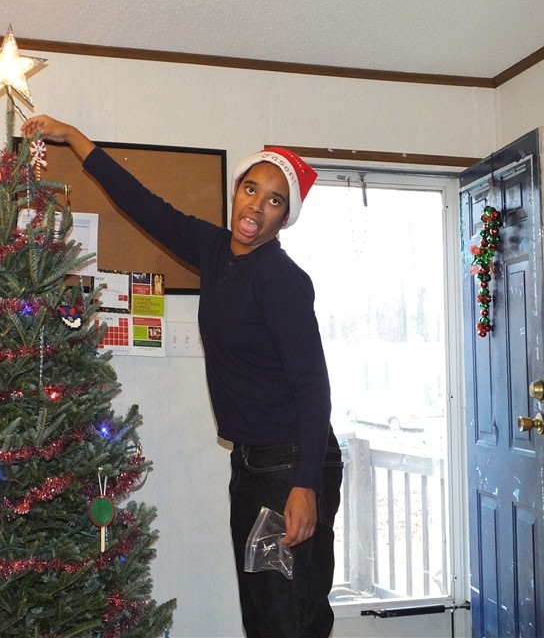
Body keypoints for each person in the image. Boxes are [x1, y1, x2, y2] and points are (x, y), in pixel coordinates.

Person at [21, 115, 343, 638]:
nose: (256, 207)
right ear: (236, 191)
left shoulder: (282, 280)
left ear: (286, 217)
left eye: (274, 200)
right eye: (251, 190)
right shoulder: (215, 251)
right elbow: (143, 204)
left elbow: (313, 385)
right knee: (264, 613)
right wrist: (76, 139)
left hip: (292, 464)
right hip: (252, 463)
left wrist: (306, 485)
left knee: (290, 615)